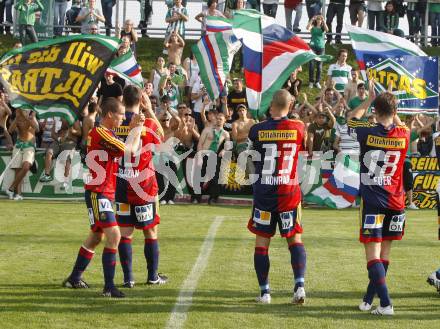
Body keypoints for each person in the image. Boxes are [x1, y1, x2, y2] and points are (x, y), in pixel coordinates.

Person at [62, 97, 144, 298]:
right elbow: (130, 151)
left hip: (102, 191)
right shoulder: (100, 132)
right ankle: (109, 287)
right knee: (114, 236)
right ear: (109, 114)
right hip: (98, 193)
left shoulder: (106, 132)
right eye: (121, 114)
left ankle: (74, 277)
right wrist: (136, 129)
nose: (124, 118)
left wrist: (134, 129)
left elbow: (129, 149)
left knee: (96, 237)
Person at [347, 79, 410, 315]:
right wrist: (392, 110)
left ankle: (385, 304)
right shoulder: (404, 133)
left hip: (374, 200)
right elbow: (400, 123)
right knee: (384, 254)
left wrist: (369, 98)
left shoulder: (366, 131)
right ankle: (367, 299)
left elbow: (351, 118)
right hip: (397, 201)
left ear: (375, 110)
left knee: (373, 256)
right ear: (395, 112)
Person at [247, 89, 306, 304]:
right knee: (294, 240)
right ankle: (299, 286)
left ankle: (265, 292)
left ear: (271, 105)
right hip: (288, 191)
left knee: (262, 243)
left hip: (265, 193)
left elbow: (251, 151)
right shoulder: (299, 127)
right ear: (290, 107)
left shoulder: (257, 130)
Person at [114, 86, 169, 287]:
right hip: (143, 185)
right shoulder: (148, 123)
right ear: (141, 101)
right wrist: (150, 110)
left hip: (121, 181)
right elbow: (162, 136)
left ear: (122, 100)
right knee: (150, 232)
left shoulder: (116, 122)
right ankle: (152, 276)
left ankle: (128, 278)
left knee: (125, 233)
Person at [5, 109, 39, 200]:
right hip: (18, 145)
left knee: (26, 167)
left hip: (29, 146)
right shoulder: (18, 118)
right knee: (17, 170)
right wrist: (16, 119)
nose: (21, 112)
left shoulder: (32, 117)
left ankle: (11, 188)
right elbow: (10, 130)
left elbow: (37, 128)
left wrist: (29, 118)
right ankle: (18, 194)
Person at [197, 111, 230, 204]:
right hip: (205, 155)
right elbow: (200, 143)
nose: (219, 120)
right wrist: (199, 156)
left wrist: (224, 150)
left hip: (215, 156)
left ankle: (213, 198)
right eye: (217, 118)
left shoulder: (225, 133)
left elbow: (228, 145)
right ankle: (196, 197)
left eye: (221, 119)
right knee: (200, 176)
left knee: (215, 178)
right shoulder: (207, 130)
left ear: (224, 121)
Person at [39, 118, 81, 189]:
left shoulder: (74, 119)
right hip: (57, 142)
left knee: (67, 156)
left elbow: (80, 132)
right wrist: (59, 139)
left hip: (70, 142)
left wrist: (72, 130)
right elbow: (52, 134)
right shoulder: (57, 119)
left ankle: (66, 181)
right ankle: (47, 175)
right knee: (49, 152)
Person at [307, 15, 328, 89]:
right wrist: (312, 19)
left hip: (321, 47)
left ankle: (317, 82)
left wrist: (324, 21)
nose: (319, 21)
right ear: (316, 20)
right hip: (312, 47)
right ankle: (311, 82)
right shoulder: (312, 26)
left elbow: (327, 29)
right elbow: (307, 28)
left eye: (320, 20)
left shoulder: (322, 28)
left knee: (319, 66)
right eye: (318, 19)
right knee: (311, 65)